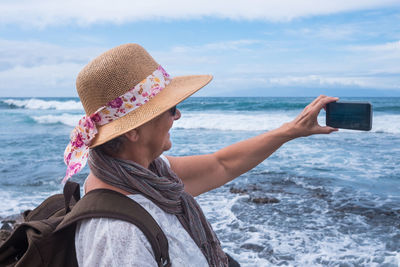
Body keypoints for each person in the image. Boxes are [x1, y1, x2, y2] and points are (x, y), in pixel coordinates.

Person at [64, 43, 338, 267]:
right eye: (170, 109)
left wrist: (291, 130)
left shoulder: (147, 175)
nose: (178, 115)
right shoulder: (119, 238)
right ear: (133, 131)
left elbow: (223, 164)